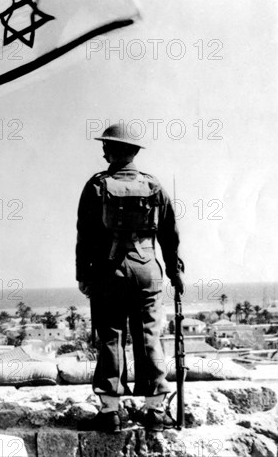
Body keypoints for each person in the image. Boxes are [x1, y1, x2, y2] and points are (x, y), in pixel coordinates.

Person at [75, 123, 184, 433]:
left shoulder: (97, 186)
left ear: (115, 151)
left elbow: (85, 236)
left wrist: (84, 275)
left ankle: (110, 411)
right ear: (135, 152)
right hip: (148, 269)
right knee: (149, 334)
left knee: (111, 336)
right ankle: (154, 410)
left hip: (110, 271)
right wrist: (175, 272)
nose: (103, 149)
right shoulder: (154, 186)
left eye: (107, 145)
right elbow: (170, 234)